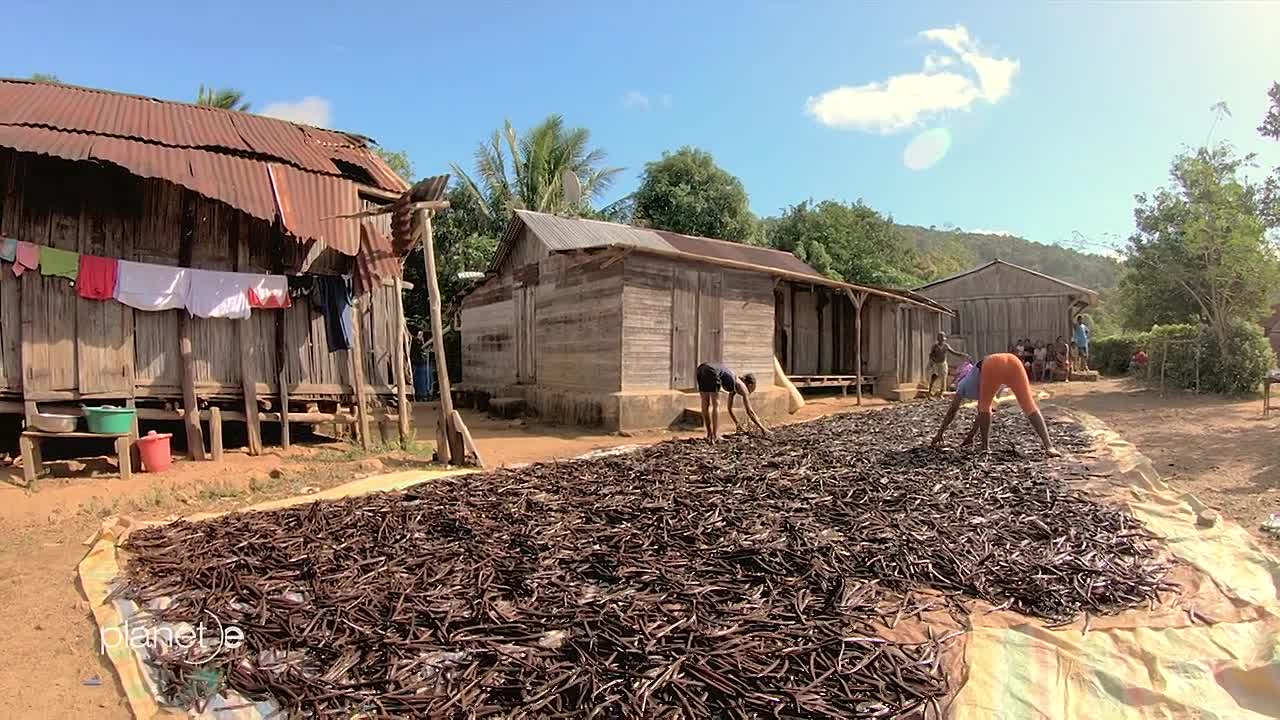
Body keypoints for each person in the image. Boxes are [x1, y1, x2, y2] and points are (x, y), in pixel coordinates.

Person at [930, 352, 1061, 457]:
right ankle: (1049, 446)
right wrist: (970, 436)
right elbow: (984, 414)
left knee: (984, 406)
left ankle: (985, 448)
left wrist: (939, 433)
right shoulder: (980, 382)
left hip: (992, 364)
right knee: (1029, 405)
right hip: (1013, 361)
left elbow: (952, 411)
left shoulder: (962, 386)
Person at [695, 361, 769, 443]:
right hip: (712, 371)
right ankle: (715, 436)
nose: (749, 393)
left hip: (701, 369)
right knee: (716, 404)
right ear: (750, 385)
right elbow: (750, 411)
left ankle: (709, 434)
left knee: (705, 402)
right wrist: (763, 428)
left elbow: (729, 408)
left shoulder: (733, 383)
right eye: (751, 390)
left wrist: (738, 424)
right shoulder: (743, 387)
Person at [927, 332, 970, 397]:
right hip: (936, 363)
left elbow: (953, 352)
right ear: (938, 339)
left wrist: (962, 355)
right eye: (940, 339)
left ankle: (941, 393)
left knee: (943, 378)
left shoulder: (946, 346)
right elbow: (931, 354)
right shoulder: (935, 346)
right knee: (934, 377)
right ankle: (930, 391)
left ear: (944, 339)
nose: (941, 340)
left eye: (942, 339)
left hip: (943, 363)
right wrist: (931, 362)